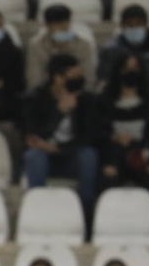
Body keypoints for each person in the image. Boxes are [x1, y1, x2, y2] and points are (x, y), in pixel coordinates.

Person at [21, 54, 101, 213]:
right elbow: (32, 136)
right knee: (33, 156)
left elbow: (88, 137)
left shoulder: (87, 100)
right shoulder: (34, 99)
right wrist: (59, 112)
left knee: (88, 155)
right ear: (57, 77)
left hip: (71, 156)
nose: (80, 79)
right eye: (74, 76)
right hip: (45, 158)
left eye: (80, 75)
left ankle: (86, 212)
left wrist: (58, 149)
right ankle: (36, 210)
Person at [98, 53, 149, 198]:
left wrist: (148, 154)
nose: (131, 73)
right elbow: (98, 132)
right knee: (108, 173)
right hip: (114, 153)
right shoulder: (104, 101)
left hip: (143, 152)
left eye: (135, 68)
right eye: (126, 68)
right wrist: (115, 138)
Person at [97, 4, 149, 93]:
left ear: (147, 26)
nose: (134, 28)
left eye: (139, 24)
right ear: (122, 26)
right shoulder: (109, 52)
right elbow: (104, 81)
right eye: (129, 25)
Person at [25, 4, 95, 89]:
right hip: (46, 93)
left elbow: (88, 78)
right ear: (47, 26)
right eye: (58, 26)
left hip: (76, 93)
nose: (62, 31)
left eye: (65, 27)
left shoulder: (83, 45)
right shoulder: (36, 45)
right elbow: (34, 80)